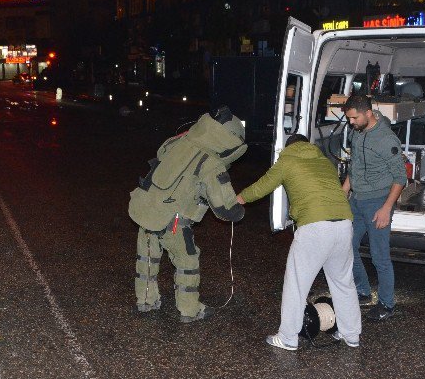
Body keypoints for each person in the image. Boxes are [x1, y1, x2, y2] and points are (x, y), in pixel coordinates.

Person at [237, 134, 361, 350]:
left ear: (288, 147)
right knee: (343, 282)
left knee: (296, 284)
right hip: (344, 224)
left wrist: (237, 199)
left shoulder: (287, 160)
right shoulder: (324, 162)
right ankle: (351, 334)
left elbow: (262, 187)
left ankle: (287, 337)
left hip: (314, 227)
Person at [128, 106, 246, 323]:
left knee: (147, 256)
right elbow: (224, 207)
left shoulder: (179, 142)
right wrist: (238, 211)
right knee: (187, 261)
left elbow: (161, 154)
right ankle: (189, 310)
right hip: (173, 220)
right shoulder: (211, 162)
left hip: (147, 207)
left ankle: (145, 300)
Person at [342, 95, 406, 321]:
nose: (350, 122)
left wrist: (386, 208)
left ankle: (387, 304)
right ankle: (362, 291)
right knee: (347, 246)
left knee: (380, 256)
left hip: (378, 202)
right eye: (348, 118)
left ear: (368, 113)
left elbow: (400, 178)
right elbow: (355, 165)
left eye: (353, 117)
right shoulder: (357, 132)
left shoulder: (386, 140)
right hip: (357, 200)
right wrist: (344, 191)